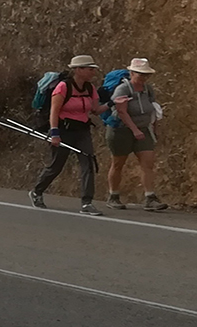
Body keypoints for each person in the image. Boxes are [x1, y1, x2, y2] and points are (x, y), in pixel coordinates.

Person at [29, 55, 109, 215]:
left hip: (82, 131)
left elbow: (95, 110)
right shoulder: (63, 87)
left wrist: (112, 103)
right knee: (56, 166)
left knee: (88, 164)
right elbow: (54, 111)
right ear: (78, 70)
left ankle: (87, 203)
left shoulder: (90, 88)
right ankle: (37, 191)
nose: (93, 72)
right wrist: (55, 133)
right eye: (90, 69)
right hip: (63, 130)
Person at [105, 58, 168, 211]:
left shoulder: (148, 89)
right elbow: (122, 112)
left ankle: (150, 197)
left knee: (148, 163)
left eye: (146, 74)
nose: (143, 77)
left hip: (143, 130)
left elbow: (153, 109)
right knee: (118, 163)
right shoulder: (122, 89)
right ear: (132, 73)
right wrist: (134, 130)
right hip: (121, 130)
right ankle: (113, 195)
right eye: (140, 74)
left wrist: (154, 129)